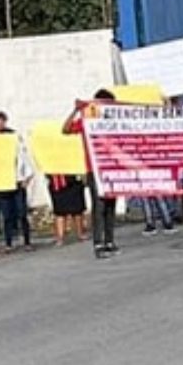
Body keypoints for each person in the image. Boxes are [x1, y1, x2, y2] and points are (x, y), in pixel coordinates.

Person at [66, 89, 118, 258]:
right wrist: (76, 110)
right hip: (94, 169)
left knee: (111, 206)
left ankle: (109, 241)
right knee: (99, 206)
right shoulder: (88, 121)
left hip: (111, 168)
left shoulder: (114, 122)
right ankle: (98, 243)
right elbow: (65, 129)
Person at [0, 111, 34, 251]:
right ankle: (8, 243)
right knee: (7, 215)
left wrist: (27, 176)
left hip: (17, 181)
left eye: (0, 120)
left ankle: (27, 241)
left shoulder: (13, 136)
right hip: (2, 183)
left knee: (22, 213)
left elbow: (23, 157)